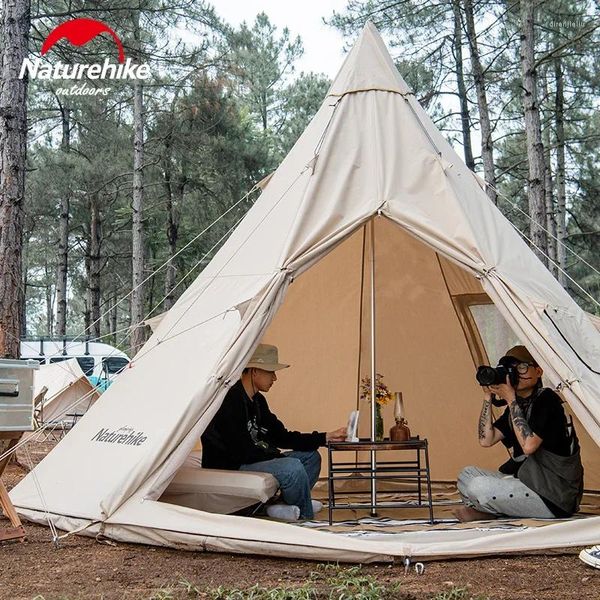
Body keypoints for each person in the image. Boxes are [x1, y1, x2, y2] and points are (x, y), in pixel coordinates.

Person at [201, 343, 347, 521]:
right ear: (255, 371)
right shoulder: (230, 400)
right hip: (232, 463)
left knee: (311, 457)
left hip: (253, 457)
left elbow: (282, 436)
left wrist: (324, 437)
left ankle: (281, 505)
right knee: (291, 467)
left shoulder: (258, 401)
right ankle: (305, 514)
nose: (275, 378)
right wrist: (278, 458)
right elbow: (240, 451)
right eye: (271, 372)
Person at [455, 345, 583, 522]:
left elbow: (529, 446)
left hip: (553, 495)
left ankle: (489, 510)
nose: (517, 373)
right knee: (466, 475)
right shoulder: (517, 406)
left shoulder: (547, 400)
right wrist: (487, 397)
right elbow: (486, 439)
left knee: (479, 486)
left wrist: (510, 399)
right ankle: (494, 509)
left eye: (522, 367)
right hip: (526, 483)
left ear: (538, 371)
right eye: (512, 369)